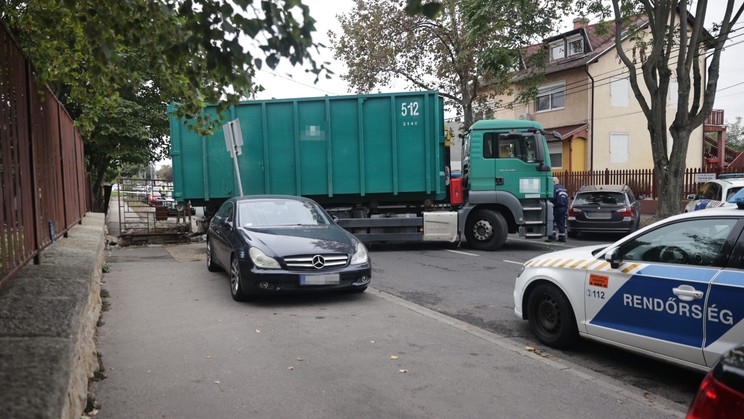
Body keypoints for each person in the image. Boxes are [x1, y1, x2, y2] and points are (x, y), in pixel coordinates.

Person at [548, 176, 569, 242]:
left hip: (557, 207)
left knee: (551, 221)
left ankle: (552, 236)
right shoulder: (563, 189)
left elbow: (553, 198)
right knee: (561, 222)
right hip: (564, 207)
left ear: (553, 182)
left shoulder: (554, 188)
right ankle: (562, 237)